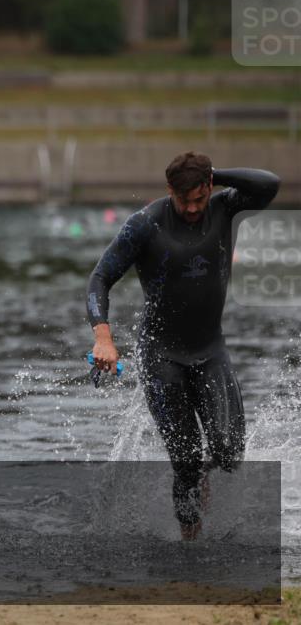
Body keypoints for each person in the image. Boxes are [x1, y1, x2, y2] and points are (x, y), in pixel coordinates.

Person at [86, 151, 279, 540]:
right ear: (169, 190)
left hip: (210, 351)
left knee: (228, 453)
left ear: (210, 187)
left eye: (199, 198)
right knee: (186, 461)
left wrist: (216, 174)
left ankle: (205, 474)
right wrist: (103, 337)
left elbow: (269, 184)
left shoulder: (225, 206)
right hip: (161, 357)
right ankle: (191, 546)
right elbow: (99, 279)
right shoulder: (145, 225)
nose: (193, 209)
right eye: (183, 200)